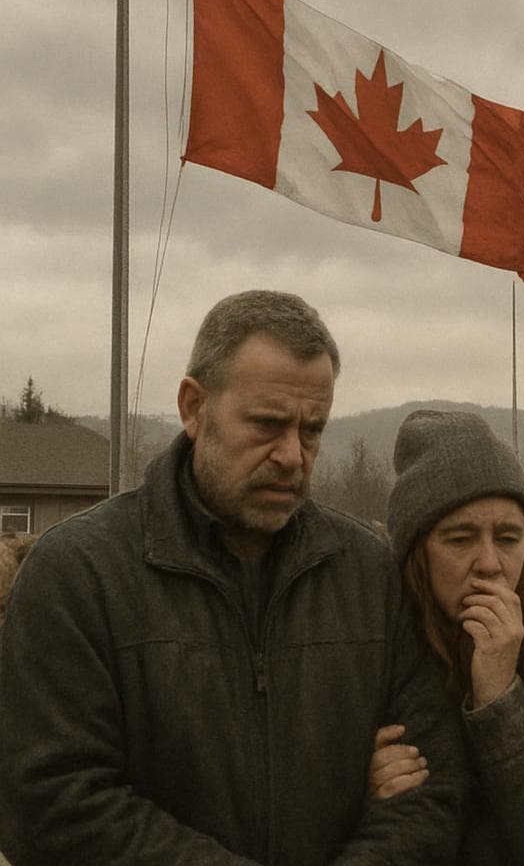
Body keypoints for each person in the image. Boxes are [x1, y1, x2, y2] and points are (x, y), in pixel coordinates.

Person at [0, 290, 466, 864]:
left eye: (313, 430)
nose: (293, 455)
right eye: (268, 424)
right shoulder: (78, 574)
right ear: (194, 408)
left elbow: (433, 789)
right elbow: (50, 803)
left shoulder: (369, 573)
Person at [371, 409, 524, 864]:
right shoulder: (375, 658)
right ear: (416, 553)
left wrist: (503, 702)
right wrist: (363, 791)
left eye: (508, 538)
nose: (489, 563)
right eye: (460, 539)